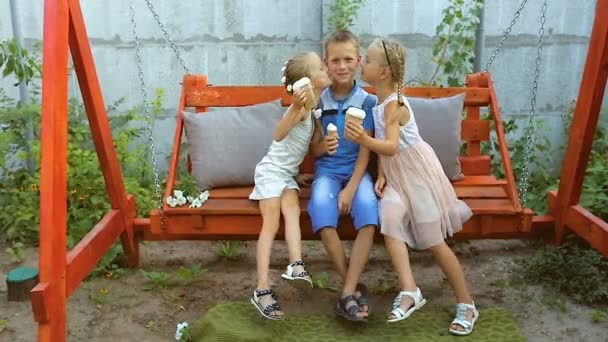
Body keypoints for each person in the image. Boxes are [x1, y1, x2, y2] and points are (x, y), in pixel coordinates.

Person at [346, 37, 479, 335]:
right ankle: (410, 290)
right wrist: (381, 172)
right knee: (390, 219)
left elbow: (391, 145)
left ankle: (467, 303)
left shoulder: (395, 105)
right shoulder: (378, 103)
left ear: (383, 73)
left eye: (366, 60)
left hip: (417, 178)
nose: (361, 64)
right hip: (395, 177)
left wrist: (363, 140)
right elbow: (386, 152)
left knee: (434, 240)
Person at [249, 51, 331, 320]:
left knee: (293, 210)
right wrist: (295, 107)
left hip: (286, 175)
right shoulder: (300, 109)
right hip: (271, 173)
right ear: (307, 82)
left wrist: (296, 176)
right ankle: (262, 289)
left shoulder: (312, 108)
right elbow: (279, 134)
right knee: (270, 223)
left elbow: (294, 148)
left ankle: (296, 265)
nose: (327, 68)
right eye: (321, 66)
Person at [307, 30, 378, 322]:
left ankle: (346, 291)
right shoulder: (318, 102)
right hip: (327, 172)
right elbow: (312, 148)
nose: (342, 65)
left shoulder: (367, 102)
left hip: (356, 173)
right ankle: (352, 286)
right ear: (326, 63)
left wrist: (350, 189)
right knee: (322, 211)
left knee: (370, 215)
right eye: (335, 60)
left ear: (359, 61)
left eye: (348, 59)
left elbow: (366, 151)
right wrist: (323, 146)